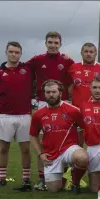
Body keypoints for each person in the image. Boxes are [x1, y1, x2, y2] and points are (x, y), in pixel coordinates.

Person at [26, 31, 75, 190]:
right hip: (42, 103)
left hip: (63, 103)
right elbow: (21, 69)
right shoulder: (37, 60)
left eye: (56, 42)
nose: (53, 45)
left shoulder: (67, 61)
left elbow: (73, 81)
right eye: (50, 42)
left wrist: (69, 98)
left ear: (60, 44)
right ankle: (42, 176)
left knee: (65, 139)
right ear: (46, 43)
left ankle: (66, 175)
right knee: (42, 141)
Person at [28, 80, 89, 193]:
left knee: (82, 158)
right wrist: (40, 154)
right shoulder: (38, 114)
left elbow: (84, 128)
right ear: (44, 94)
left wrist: (81, 147)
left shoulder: (73, 110)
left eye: (54, 92)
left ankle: (75, 183)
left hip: (69, 149)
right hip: (51, 153)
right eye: (48, 92)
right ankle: (64, 172)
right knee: (54, 189)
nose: (51, 95)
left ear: (60, 93)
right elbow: (33, 135)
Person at [0, 41, 34, 190]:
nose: (14, 54)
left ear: (20, 54)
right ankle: (2, 179)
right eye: (11, 52)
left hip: (25, 116)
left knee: (26, 149)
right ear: (6, 52)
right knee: (3, 149)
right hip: (4, 116)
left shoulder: (27, 69)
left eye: (16, 52)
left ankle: (26, 179)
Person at [68, 42, 100, 147]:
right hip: (77, 110)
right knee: (77, 144)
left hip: (97, 112)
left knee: (96, 142)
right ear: (81, 53)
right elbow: (69, 87)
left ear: (95, 53)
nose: (88, 54)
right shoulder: (73, 67)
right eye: (86, 51)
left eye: (91, 52)